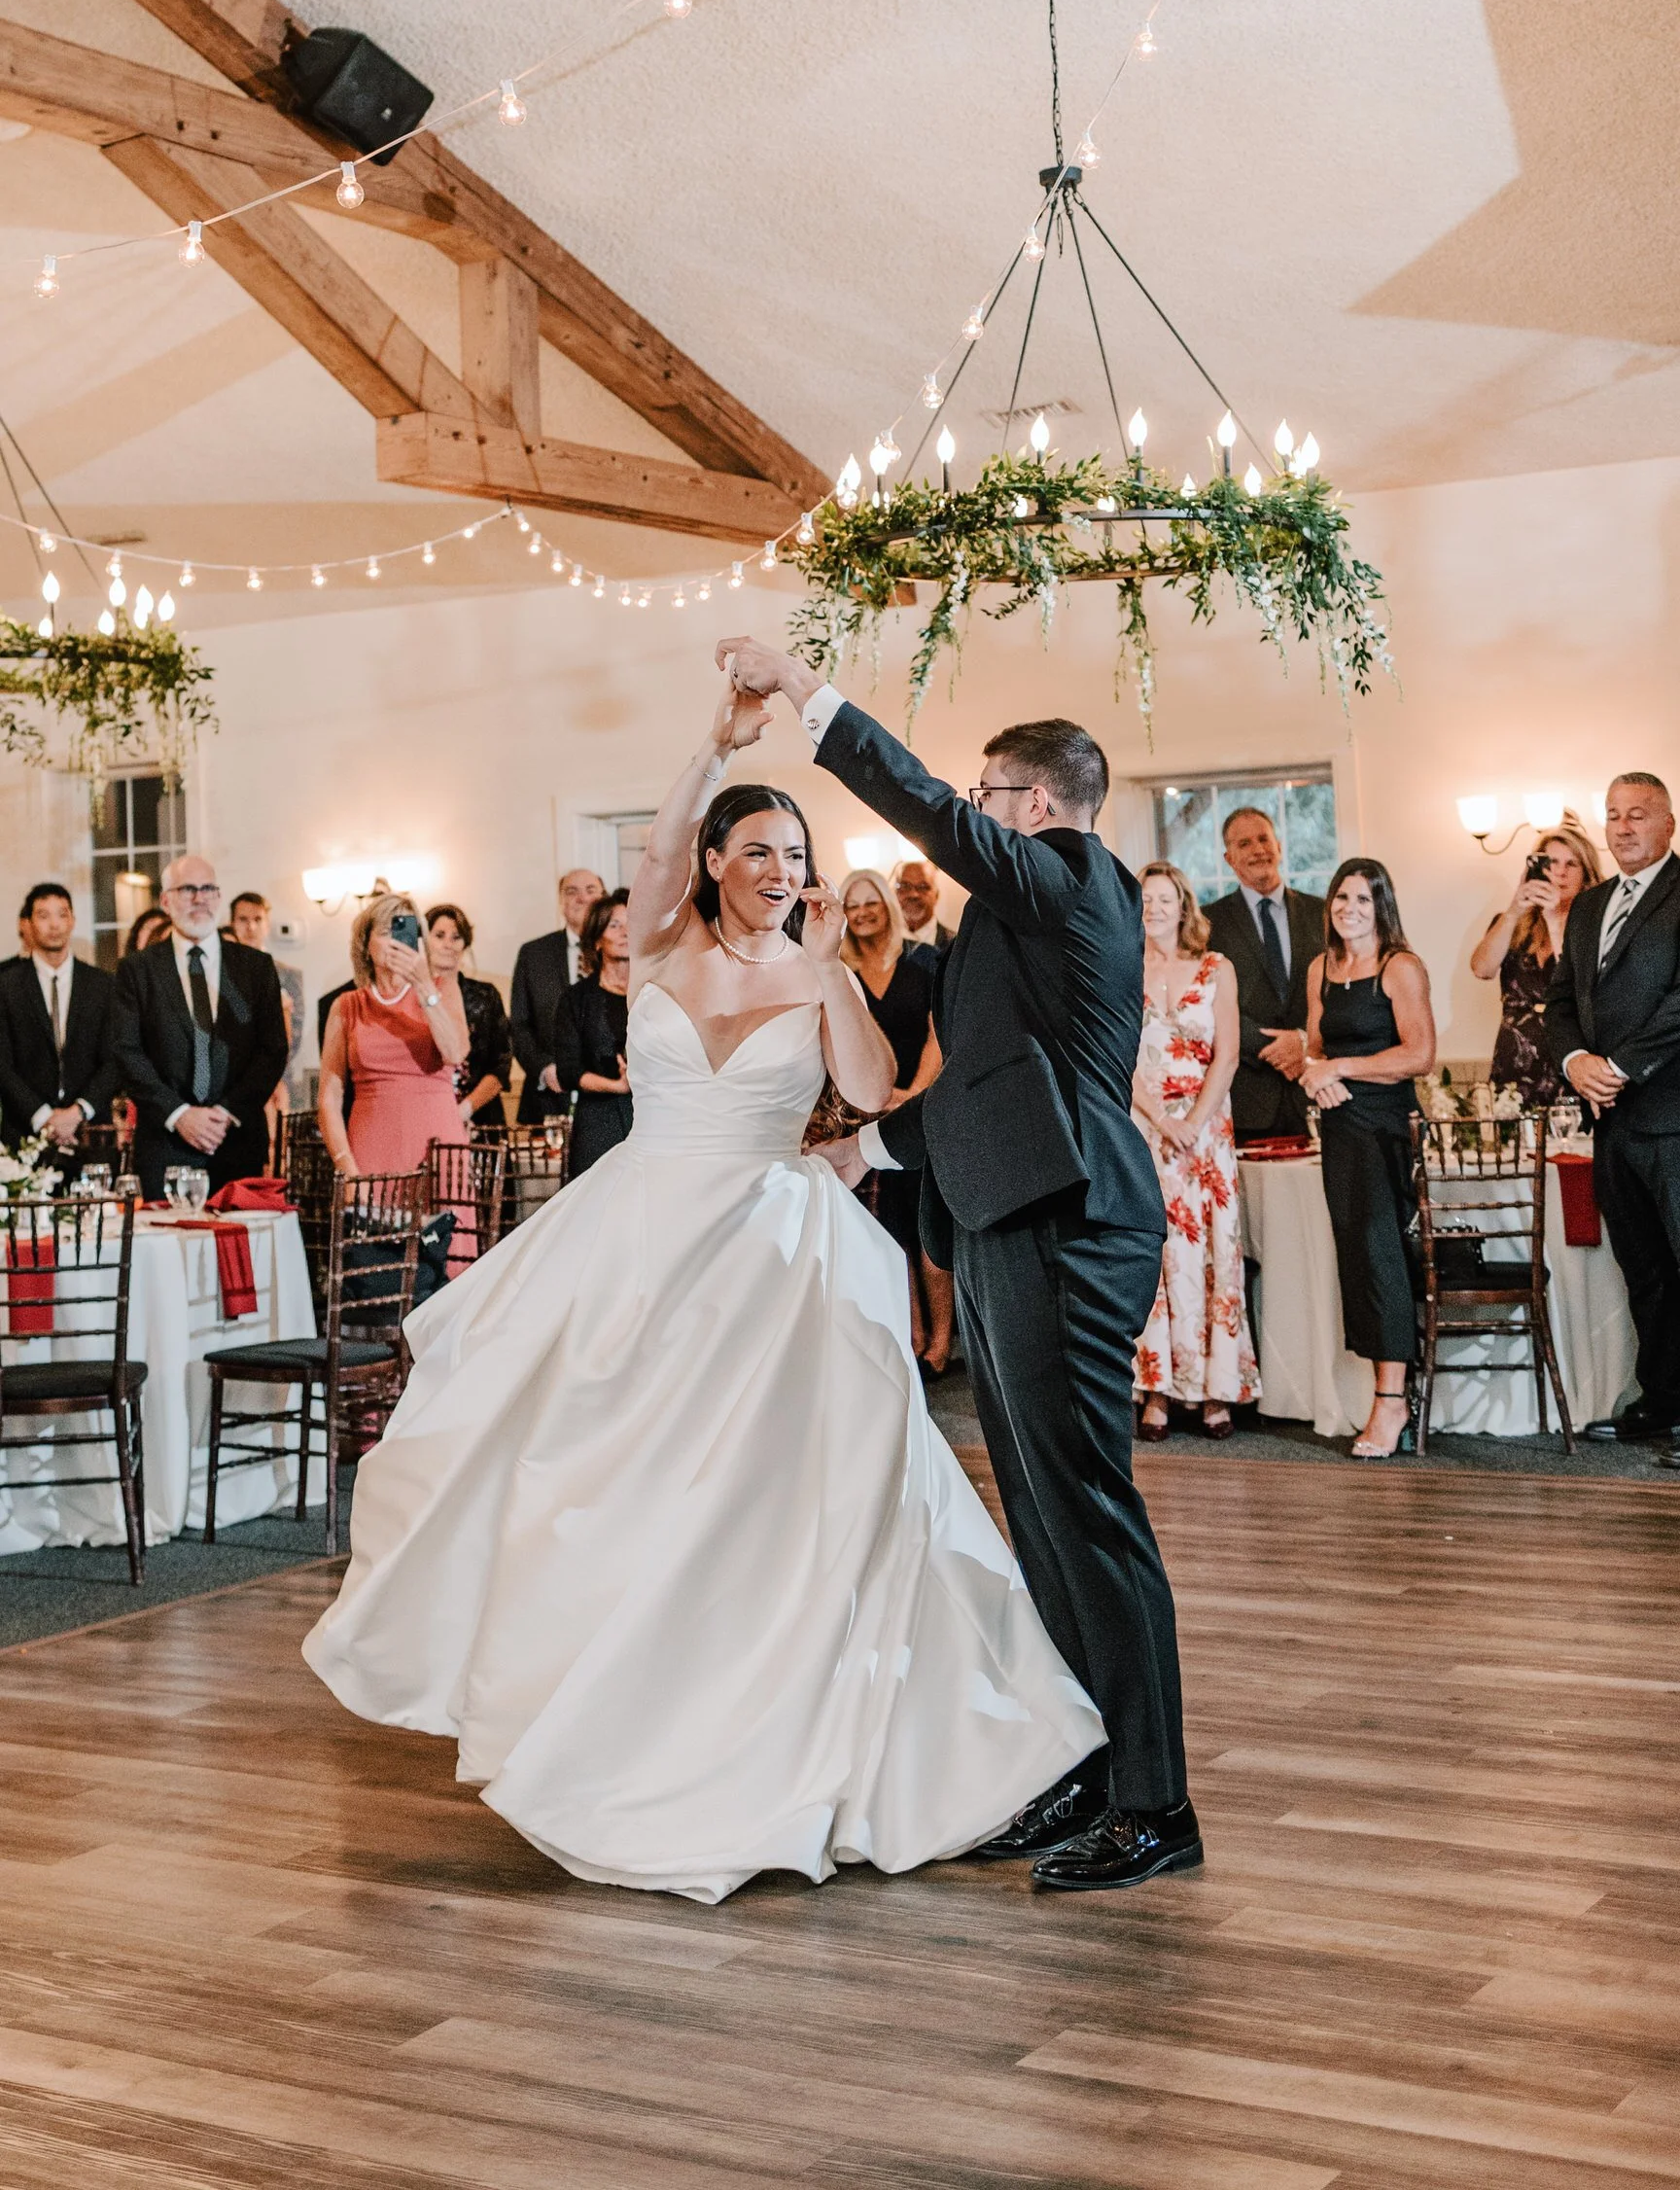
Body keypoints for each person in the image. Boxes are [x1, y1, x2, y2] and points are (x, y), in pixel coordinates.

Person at [304, 672, 1101, 1903]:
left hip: (776, 1244)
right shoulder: (661, 945)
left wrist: (833, 969)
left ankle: (781, 1726)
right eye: (762, 850)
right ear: (718, 861)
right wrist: (708, 746)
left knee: (777, 1500)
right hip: (640, 1233)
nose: (783, 870)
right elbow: (661, 847)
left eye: (797, 853)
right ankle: (620, 1722)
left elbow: (879, 1088)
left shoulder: (815, 961)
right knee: (612, 1480)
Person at [721, 635, 1196, 1901]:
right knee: (1039, 1512)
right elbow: (985, 1088)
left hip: (1071, 1222)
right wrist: (871, 1145)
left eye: (989, 798)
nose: (972, 818)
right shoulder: (1019, 923)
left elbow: (926, 806)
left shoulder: (1066, 876)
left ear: (1033, 807)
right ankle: (1095, 1765)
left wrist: (805, 697)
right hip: (1004, 1216)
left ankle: (1158, 1803)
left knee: (1089, 1508)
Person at [1544, 773, 1680, 1448]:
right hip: (1611, 1123)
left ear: (1668, 825)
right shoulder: (1591, 905)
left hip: (1672, 1117)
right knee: (1646, 1272)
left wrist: (1620, 1067)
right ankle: (1663, 1400)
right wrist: (1577, 1064)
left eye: (1638, 815)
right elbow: (1562, 1002)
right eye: (1613, 815)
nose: (1623, 827)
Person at [1302, 859, 1436, 1462]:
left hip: (1386, 1128)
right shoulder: (1322, 969)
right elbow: (1313, 1046)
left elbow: (1420, 1054)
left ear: (1381, 906)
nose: (1348, 908)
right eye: (1341, 897)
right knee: (1356, 1253)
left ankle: (1392, 1400)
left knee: (1382, 1252)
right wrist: (1316, 1075)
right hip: (1338, 1128)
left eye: (1361, 898)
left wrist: (1342, 1069)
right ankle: (1384, 1390)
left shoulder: (1399, 967)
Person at [1131, 862, 1258, 1442]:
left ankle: (1215, 1389)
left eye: (1164, 899)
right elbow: (1115, 1056)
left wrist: (1193, 1123)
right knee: (1153, 1259)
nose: (1154, 908)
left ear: (1183, 907)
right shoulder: (1121, 968)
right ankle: (1154, 1388)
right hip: (1143, 1127)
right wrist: (1161, 1119)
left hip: (1205, 1133)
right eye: (1145, 899)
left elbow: (1227, 1055)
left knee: (1210, 1256)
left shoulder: (1216, 969)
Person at [112, 855, 289, 1199]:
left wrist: (226, 1111)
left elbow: (272, 1049)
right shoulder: (138, 970)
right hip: (165, 1143)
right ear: (166, 901)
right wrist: (179, 1114)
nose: (199, 898)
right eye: (188, 889)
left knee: (236, 1248)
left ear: (219, 898)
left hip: (235, 1138)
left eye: (208, 889)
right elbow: (126, 1051)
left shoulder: (255, 968)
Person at [839, 867, 953, 1370]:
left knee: (929, 1233)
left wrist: (913, 1095)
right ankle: (913, 1335)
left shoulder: (924, 960)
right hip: (864, 1116)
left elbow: (938, 1033)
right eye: (851, 904)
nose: (861, 912)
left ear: (886, 904)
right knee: (888, 1233)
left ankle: (943, 1340)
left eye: (870, 901)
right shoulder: (841, 970)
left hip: (922, 1108)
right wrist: (869, 1100)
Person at [318, 892, 470, 1178]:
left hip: (436, 1144)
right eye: (388, 932)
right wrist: (346, 1167)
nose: (398, 943)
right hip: (371, 1149)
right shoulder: (347, 1005)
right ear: (366, 944)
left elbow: (455, 1052)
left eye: (406, 932)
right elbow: (329, 1096)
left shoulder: (443, 988)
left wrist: (424, 985)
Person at [1202, 807, 1325, 1143]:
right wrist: (1276, 1046)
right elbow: (1206, 1001)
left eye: (1263, 839)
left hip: (1317, 1093)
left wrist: (1303, 1042)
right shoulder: (1207, 924)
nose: (1258, 850)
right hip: (1248, 1099)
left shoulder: (1324, 913)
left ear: (1279, 846)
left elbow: (1337, 993)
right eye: (1244, 844)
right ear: (1229, 858)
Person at [1470, 824, 1602, 1107]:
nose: (1560, 872)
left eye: (1571, 864)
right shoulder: (1514, 924)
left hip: (1569, 1057)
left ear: (1586, 875)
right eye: (1552, 862)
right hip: (1514, 1059)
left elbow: (1582, 988)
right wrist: (1516, 907)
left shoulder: (1594, 927)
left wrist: (1554, 921)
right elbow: (1482, 969)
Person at [0, 883, 117, 1154]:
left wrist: (78, 1112)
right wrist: (43, 1117)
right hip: (26, 1135)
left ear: (73, 921)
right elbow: (3, 1065)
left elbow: (115, 1060)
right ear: (27, 924)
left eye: (62, 914)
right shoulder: (7, 987)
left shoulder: (103, 985)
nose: (55, 924)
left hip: (90, 1131)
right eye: (43, 916)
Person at [509, 867, 606, 1122]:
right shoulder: (533, 954)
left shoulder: (624, 952)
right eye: (571, 892)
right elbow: (519, 1026)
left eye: (590, 890)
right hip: (548, 1101)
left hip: (610, 1099)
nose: (582, 898)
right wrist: (544, 1069)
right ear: (561, 903)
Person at [554, 887, 633, 1176]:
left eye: (631, 923)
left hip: (653, 1116)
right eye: (615, 925)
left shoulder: (655, 992)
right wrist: (617, 1086)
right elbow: (568, 1071)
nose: (626, 932)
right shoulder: (576, 999)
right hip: (599, 1120)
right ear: (597, 939)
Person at [425, 904, 511, 1129]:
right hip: (426, 1112)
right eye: (440, 935)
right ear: (424, 941)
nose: (448, 944)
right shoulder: (412, 996)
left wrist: (464, 1110)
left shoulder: (485, 996)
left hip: (481, 1116)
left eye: (456, 937)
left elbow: (501, 1065)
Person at [227, 890, 302, 1141]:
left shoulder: (288, 975)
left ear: (267, 924)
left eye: (257, 920)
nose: (250, 927)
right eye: (243, 920)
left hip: (276, 1080)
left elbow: (295, 1037)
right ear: (232, 923)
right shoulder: (221, 973)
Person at [892, 856, 952, 952]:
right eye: (905, 886)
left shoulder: (955, 945)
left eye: (923, 887)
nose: (913, 894)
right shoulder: (878, 942)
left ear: (936, 895)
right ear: (895, 892)